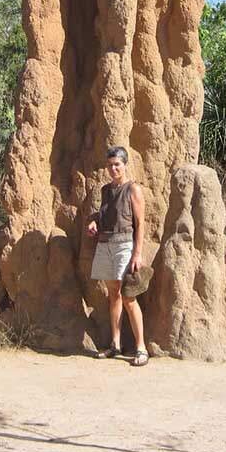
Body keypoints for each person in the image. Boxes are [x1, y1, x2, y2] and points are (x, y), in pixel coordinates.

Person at [86, 146, 148, 367]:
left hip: (125, 245)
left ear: (124, 165)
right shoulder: (105, 191)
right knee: (113, 295)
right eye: (110, 165)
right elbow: (105, 214)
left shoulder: (133, 190)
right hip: (106, 244)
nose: (113, 169)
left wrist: (137, 253)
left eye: (117, 165)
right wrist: (94, 222)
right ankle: (115, 344)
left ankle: (141, 348)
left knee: (129, 297)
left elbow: (140, 223)